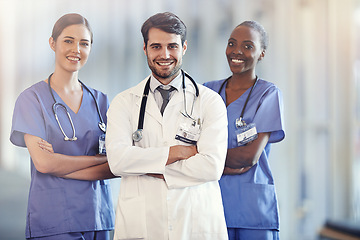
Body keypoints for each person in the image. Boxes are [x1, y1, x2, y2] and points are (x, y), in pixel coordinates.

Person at [106, 12, 228, 240]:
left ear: (184, 48)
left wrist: (149, 166)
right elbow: (118, 161)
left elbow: (212, 166)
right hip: (143, 221)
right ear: (145, 49)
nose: (164, 54)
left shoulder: (209, 101)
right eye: (156, 46)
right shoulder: (124, 102)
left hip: (195, 218)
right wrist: (176, 153)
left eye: (172, 46)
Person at [10, 13, 115, 240]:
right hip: (54, 219)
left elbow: (117, 165)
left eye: (84, 43)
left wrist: (62, 165)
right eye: (68, 40)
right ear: (52, 43)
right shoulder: (32, 100)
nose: (76, 49)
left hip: (99, 217)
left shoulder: (102, 102)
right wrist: (99, 159)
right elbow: (45, 163)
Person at [204, 21, 285, 240]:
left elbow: (249, 156)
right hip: (211, 205)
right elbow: (189, 147)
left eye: (248, 46)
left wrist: (206, 161)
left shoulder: (269, 94)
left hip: (253, 210)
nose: (237, 51)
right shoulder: (207, 91)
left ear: (262, 54)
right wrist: (219, 163)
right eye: (232, 43)